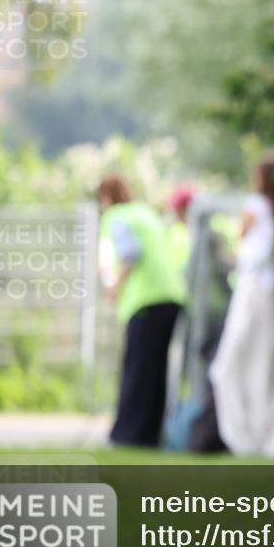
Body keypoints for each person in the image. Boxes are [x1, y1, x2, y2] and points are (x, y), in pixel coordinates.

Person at [209, 154, 274, 458]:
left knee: (231, 365)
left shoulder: (257, 206)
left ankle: (246, 436)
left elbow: (240, 236)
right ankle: (264, 435)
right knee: (267, 367)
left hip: (255, 293)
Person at [97, 175, 186, 447]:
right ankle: (149, 435)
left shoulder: (116, 216)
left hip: (145, 300)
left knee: (136, 368)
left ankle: (127, 435)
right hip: (172, 297)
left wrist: (114, 287)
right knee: (156, 370)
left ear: (106, 197)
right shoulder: (145, 213)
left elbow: (130, 253)